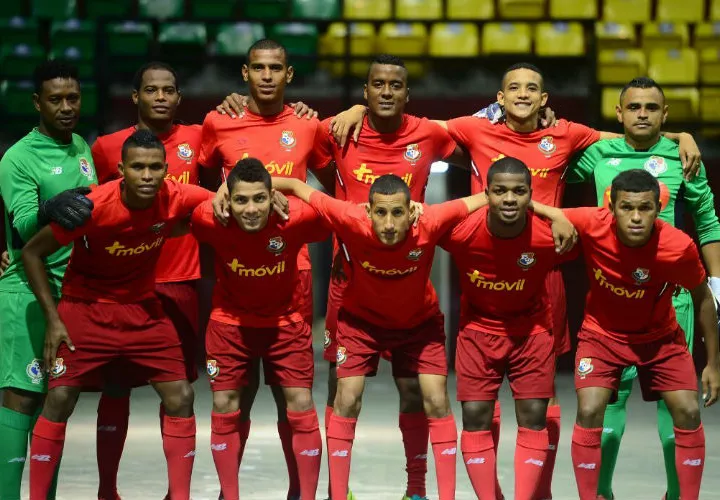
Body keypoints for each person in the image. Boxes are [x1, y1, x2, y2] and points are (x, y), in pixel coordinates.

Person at [331, 61, 702, 500]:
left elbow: (627, 137)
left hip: (544, 267)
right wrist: (358, 108)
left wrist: (681, 136)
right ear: (499, 97)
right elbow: (412, 121)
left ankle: (538, 491)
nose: (524, 94)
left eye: (532, 88)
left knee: (542, 397)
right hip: (486, 263)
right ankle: (493, 491)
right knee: (479, 398)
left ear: (545, 99)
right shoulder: (474, 129)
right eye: (514, 87)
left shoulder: (567, 134)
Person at [216, 53, 464, 500]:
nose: (386, 92)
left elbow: (488, 134)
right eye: (377, 85)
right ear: (365, 92)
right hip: (349, 283)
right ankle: (338, 490)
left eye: (395, 85)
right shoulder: (337, 130)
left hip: (408, 280)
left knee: (416, 390)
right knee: (341, 387)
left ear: (407, 94)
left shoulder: (428, 133)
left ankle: (417, 489)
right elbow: (285, 164)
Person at [271, 173, 575, 500]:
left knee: (435, 398)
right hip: (361, 324)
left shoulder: (430, 220)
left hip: (419, 324)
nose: (389, 223)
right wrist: (246, 189)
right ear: (368, 211)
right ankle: (338, 494)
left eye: (398, 213)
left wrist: (556, 213)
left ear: (412, 212)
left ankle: (421, 492)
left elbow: (491, 197)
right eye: (381, 213)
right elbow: (297, 186)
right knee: (346, 396)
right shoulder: (348, 217)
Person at [21, 130, 213, 500]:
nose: (146, 175)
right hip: (84, 309)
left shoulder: (176, 196)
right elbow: (31, 253)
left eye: (155, 167)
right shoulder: (93, 207)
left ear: (166, 170)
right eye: (137, 167)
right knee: (59, 400)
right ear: (121, 169)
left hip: (144, 311)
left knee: (181, 396)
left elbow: (225, 200)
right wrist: (54, 320)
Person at [567, 76, 720, 500]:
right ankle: (600, 493)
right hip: (612, 300)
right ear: (619, 114)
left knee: (677, 408)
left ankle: (677, 495)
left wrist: (718, 284)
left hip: (671, 302)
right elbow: (549, 167)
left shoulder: (683, 156)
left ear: (664, 114)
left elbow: (707, 223)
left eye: (651, 108)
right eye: (633, 107)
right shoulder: (598, 153)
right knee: (604, 406)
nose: (642, 115)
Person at [198, 38, 332, 500]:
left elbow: (335, 181)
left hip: (291, 273)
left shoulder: (307, 125)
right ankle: (227, 492)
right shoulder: (219, 121)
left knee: (291, 397)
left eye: (277, 68)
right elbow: (194, 186)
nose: (268, 76)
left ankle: (300, 491)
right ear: (245, 72)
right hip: (235, 272)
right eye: (259, 68)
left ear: (290, 75)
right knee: (237, 396)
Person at [89, 61, 204, 500]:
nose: (160, 97)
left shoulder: (197, 139)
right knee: (116, 388)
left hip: (180, 280)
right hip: (120, 287)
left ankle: (176, 493)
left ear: (178, 97)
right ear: (135, 96)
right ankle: (106, 490)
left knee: (176, 389)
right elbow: (89, 212)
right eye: (151, 90)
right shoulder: (105, 148)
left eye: (169, 90)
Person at [438, 157, 578, 500]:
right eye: (499, 191)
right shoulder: (460, 231)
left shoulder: (550, 235)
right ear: (486, 194)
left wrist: (558, 215)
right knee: (474, 416)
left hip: (531, 332)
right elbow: (422, 226)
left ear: (532, 195)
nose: (510, 199)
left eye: (519, 191)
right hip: (476, 332)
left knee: (533, 416)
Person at [0, 60, 98, 500]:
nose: (65, 107)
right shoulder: (17, 157)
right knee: (20, 399)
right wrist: (49, 207)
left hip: (72, 295)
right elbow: (22, 227)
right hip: (27, 295)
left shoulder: (81, 144)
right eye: (55, 99)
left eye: (72, 98)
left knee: (53, 404)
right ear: (36, 103)